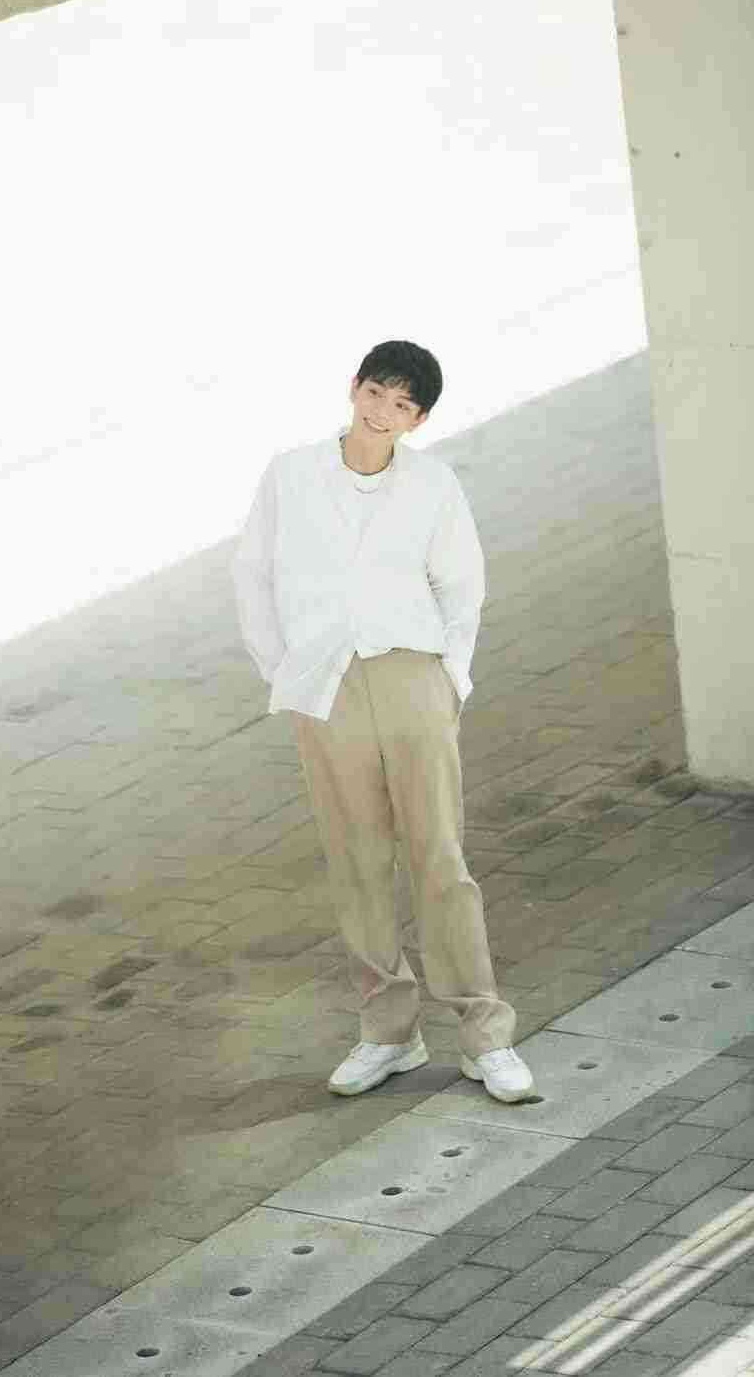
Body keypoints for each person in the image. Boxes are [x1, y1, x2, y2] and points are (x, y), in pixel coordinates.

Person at [230, 339, 534, 1104]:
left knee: (439, 857)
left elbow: (462, 585)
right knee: (356, 860)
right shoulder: (291, 475)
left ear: (418, 419)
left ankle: (484, 1034)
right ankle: (389, 1033)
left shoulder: (432, 484)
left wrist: (450, 677)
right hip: (327, 686)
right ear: (355, 387)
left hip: (411, 674)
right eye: (376, 392)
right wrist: (285, 670)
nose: (382, 412)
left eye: (402, 404)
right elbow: (253, 576)